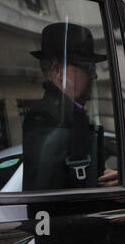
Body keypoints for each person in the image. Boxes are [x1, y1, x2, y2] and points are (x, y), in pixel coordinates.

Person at [23, 22, 118, 190]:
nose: (95, 75)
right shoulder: (49, 120)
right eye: (88, 67)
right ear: (59, 71)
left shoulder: (68, 116)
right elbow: (53, 191)